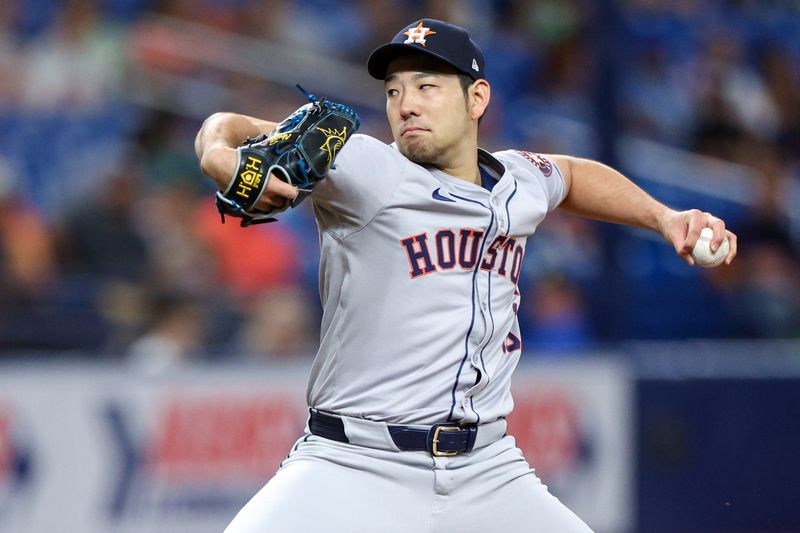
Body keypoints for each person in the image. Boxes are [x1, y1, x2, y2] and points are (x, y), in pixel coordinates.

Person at [195, 18, 738, 533]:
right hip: (354, 462)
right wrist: (220, 153)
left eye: (426, 86)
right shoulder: (368, 169)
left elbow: (570, 176)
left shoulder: (519, 179)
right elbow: (229, 127)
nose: (405, 104)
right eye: (393, 91)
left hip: (488, 467)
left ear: (476, 98)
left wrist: (665, 217)